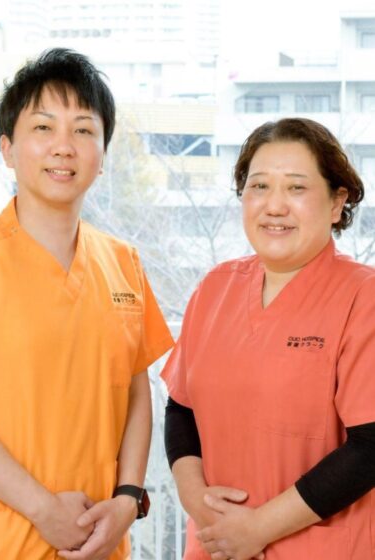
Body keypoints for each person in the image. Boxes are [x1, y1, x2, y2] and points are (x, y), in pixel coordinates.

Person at [0, 48, 173, 560]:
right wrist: (42, 509)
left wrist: (127, 500)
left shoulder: (123, 263)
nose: (64, 147)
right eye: (43, 127)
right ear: (7, 149)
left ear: (103, 155)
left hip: (98, 542)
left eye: (83, 130)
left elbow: (136, 393)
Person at [161, 117, 375, 560]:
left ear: (337, 202)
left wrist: (259, 528)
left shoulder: (363, 297)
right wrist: (195, 497)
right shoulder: (215, 288)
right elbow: (181, 407)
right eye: (259, 186)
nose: (274, 206)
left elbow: (371, 447)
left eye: (296, 188)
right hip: (216, 545)